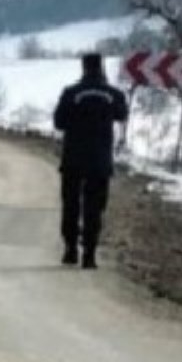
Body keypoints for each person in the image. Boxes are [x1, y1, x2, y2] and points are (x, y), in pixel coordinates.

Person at [53, 53, 129, 270]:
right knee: (94, 207)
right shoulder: (113, 94)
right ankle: (89, 255)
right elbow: (122, 115)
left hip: (73, 158)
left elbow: (59, 123)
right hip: (100, 159)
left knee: (71, 204)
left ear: (83, 67)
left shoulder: (70, 93)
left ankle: (70, 250)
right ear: (101, 67)